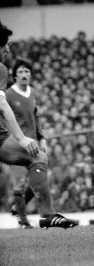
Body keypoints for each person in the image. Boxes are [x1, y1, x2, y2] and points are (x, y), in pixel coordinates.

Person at [0, 21, 78, 229]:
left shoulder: (30, 91)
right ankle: (27, 217)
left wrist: (39, 137)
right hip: (14, 137)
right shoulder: (3, 77)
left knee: (38, 158)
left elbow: (35, 117)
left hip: (10, 138)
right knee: (22, 178)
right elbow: (3, 106)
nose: (8, 48)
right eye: (4, 44)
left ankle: (46, 215)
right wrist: (22, 138)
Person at [6, 58, 48, 229]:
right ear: (14, 76)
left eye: (27, 71)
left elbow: (35, 117)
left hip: (33, 144)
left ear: (30, 74)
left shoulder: (33, 93)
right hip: (14, 144)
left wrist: (42, 137)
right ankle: (23, 222)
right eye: (20, 72)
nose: (24, 75)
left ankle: (18, 206)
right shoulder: (8, 95)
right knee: (20, 183)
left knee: (39, 178)